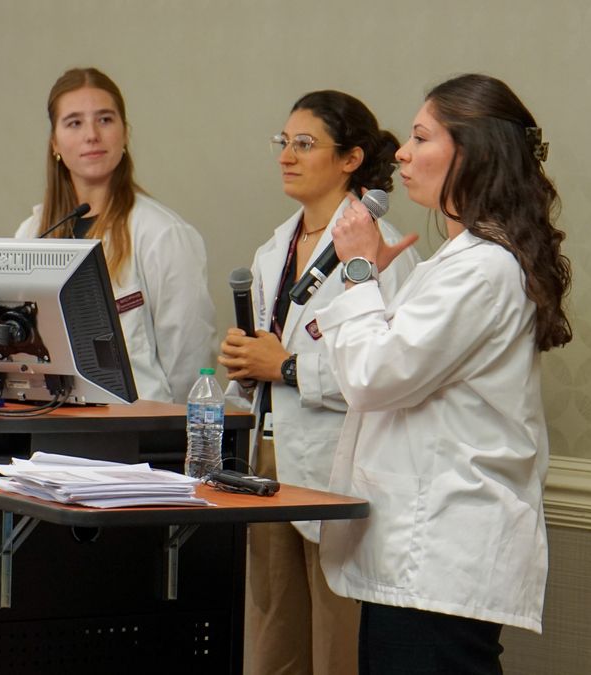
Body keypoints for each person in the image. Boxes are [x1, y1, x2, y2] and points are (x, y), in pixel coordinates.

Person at [314, 73, 572, 674]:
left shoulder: (481, 269)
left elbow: (375, 376)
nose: (401, 152)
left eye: (421, 136)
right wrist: (365, 280)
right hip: (417, 554)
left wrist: (355, 271)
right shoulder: (456, 264)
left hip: (438, 552)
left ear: (473, 153)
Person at [217, 91, 419, 674]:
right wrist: (245, 361)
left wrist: (282, 366)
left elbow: (386, 369)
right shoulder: (272, 249)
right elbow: (270, 352)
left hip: (341, 464)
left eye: (304, 144)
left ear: (350, 158)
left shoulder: (382, 251)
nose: (287, 155)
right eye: (283, 143)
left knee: (337, 639)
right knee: (272, 630)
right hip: (267, 458)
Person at [15, 67, 216, 403]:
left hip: (137, 434)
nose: (91, 135)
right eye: (74, 123)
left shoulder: (163, 234)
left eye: (105, 120)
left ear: (124, 133)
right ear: (55, 143)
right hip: (48, 426)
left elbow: (188, 362)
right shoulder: (31, 234)